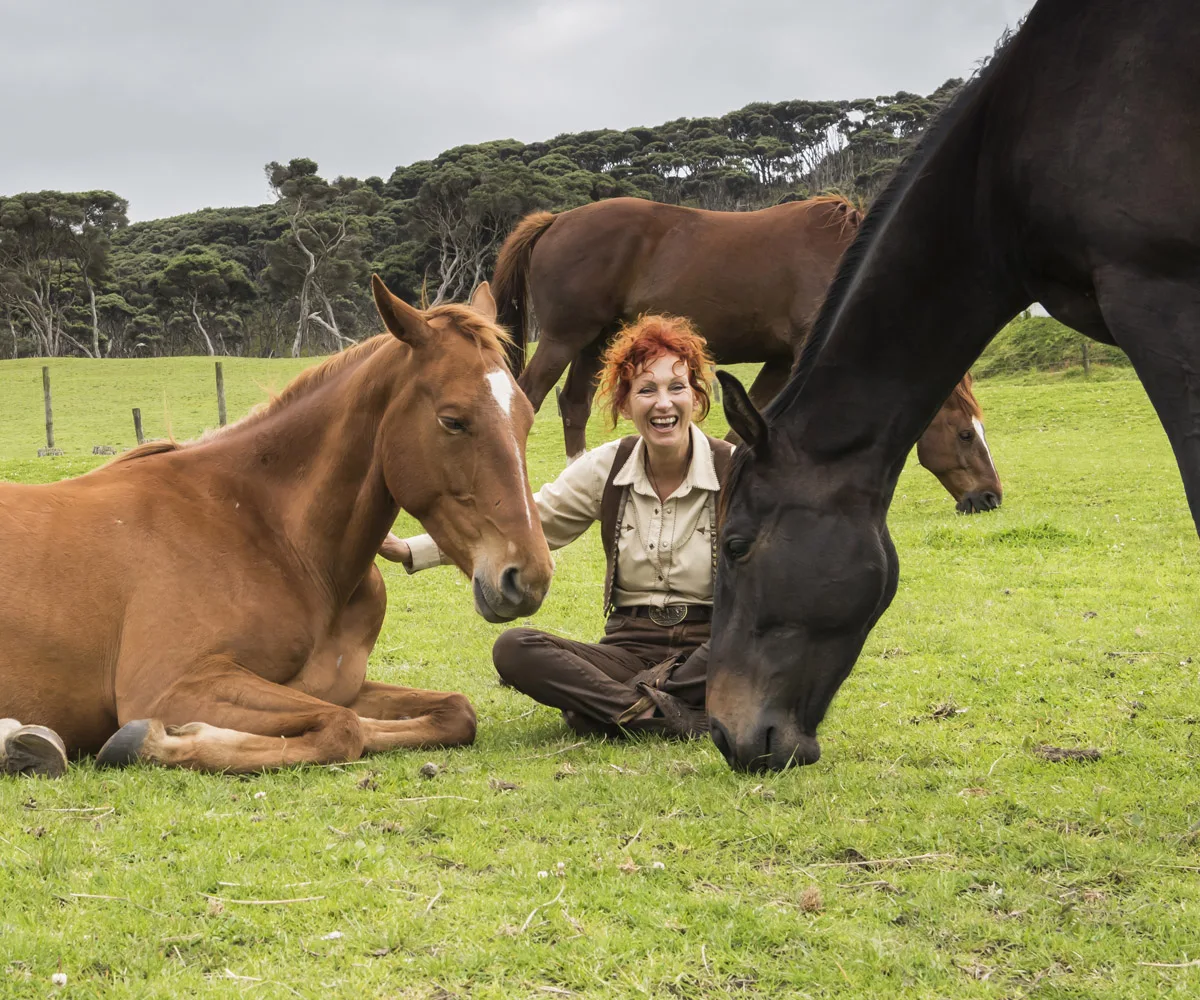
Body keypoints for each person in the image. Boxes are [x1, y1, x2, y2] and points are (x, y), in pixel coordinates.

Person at [381, 314, 733, 738]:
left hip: (712, 644)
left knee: (755, 645)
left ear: (696, 397)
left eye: (677, 388)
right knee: (516, 649)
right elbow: (536, 518)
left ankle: (614, 707)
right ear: (625, 403)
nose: (663, 403)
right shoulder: (608, 466)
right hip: (629, 647)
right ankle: (662, 714)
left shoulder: (734, 471)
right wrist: (413, 550)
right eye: (646, 390)